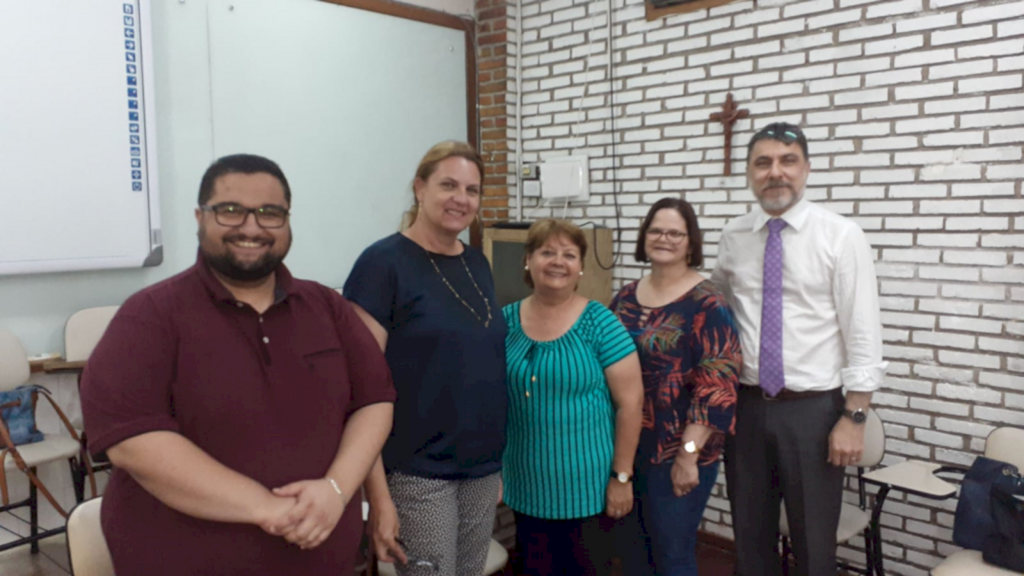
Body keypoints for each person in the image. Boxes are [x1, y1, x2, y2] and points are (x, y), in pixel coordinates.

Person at [80, 154, 396, 575]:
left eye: (270, 213)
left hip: (320, 563)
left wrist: (336, 490)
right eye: (231, 211)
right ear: (199, 217)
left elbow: (374, 400)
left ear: (287, 221)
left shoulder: (325, 307)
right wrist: (264, 507)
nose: (251, 228)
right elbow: (134, 442)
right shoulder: (150, 316)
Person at [712, 123, 887, 576]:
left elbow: (862, 333)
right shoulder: (733, 237)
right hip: (746, 408)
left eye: (787, 161)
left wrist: (854, 417)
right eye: (763, 162)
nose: (776, 173)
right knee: (750, 539)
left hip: (814, 413)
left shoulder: (840, 236)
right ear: (749, 174)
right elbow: (722, 316)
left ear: (806, 169)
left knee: (813, 547)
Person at [344, 141, 507, 575]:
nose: (461, 198)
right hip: (418, 472)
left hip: (480, 467)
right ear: (420, 188)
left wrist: (495, 466)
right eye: (448, 185)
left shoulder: (477, 263)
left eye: (472, 190)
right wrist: (377, 496)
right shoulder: (382, 264)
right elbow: (359, 389)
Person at [502, 219, 643, 576]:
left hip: (587, 491)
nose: (557, 261)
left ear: (580, 266)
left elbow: (631, 403)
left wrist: (621, 478)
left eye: (569, 254)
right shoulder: (505, 321)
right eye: (547, 252)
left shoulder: (599, 322)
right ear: (528, 260)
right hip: (525, 483)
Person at [610, 198, 741, 576]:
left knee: (672, 554)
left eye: (674, 233)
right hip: (629, 446)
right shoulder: (625, 296)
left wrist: (687, 455)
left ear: (690, 242)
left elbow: (717, 389)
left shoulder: (708, 302)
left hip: (677, 453)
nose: (663, 238)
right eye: (655, 230)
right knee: (632, 549)